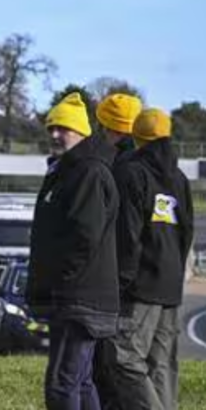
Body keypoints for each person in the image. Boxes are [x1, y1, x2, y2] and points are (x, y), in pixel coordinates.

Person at [27, 92, 120, 410]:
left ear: (81, 131)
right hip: (76, 295)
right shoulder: (67, 171)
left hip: (80, 296)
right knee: (80, 381)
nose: (54, 134)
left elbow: (85, 236)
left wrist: (62, 281)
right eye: (50, 128)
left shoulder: (88, 173)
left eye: (62, 128)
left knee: (62, 383)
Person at [108, 108, 194, 410]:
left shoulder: (132, 172)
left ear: (137, 136)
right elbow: (187, 231)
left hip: (140, 284)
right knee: (161, 364)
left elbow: (128, 235)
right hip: (170, 283)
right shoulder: (180, 178)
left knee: (124, 355)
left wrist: (121, 281)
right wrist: (176, 270)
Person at [91, 92, 142, 407]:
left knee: (108, 364)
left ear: (104, 125)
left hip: (115, 279)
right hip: (151, 281)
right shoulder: (153, 168)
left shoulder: (111, 168)